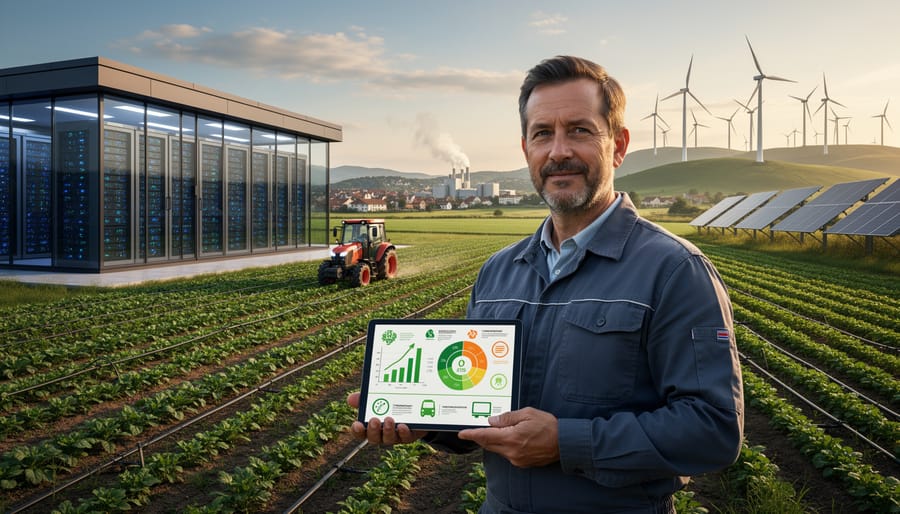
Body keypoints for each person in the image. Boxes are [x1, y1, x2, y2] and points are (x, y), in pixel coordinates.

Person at [348, 55, 744, 513]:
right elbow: (480, 404)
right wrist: (425, 423)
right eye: (542, 134)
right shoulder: (498, 272)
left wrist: (567, 442)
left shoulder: (675, 270)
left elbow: (714, 430)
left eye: (579, 130)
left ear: (617, 145)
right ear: (526, 151)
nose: (558, 151)